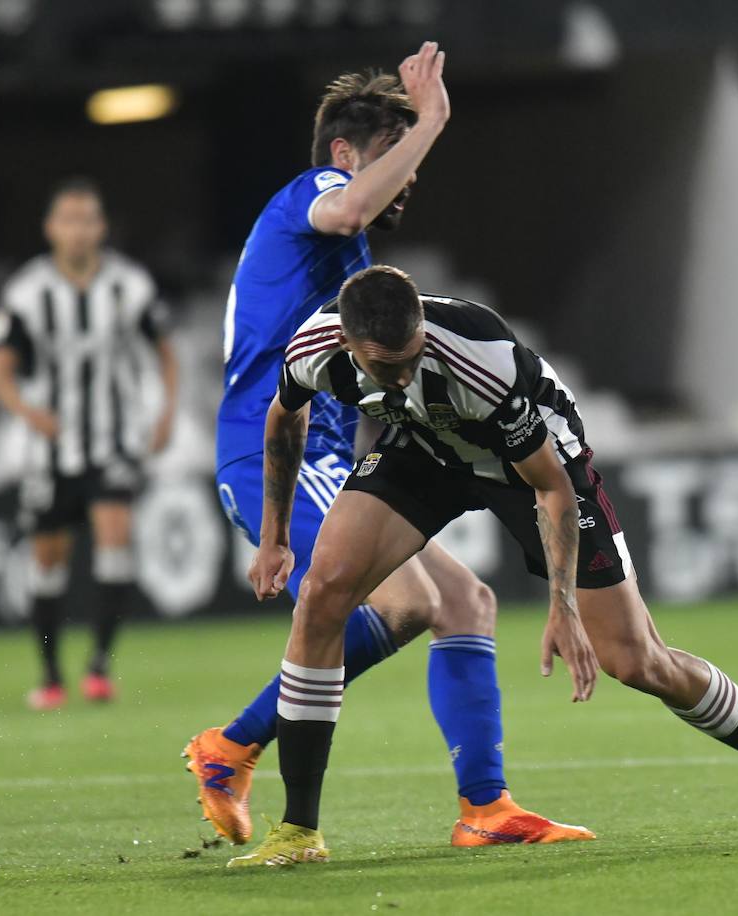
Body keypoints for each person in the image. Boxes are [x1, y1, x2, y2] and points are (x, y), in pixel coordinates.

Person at [228, 266, 738, 867]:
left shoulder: (480, 362)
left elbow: (550, 488)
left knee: (636, 661)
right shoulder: (313, 345)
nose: (399, 376)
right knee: (322, 595)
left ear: (423, 326)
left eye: (411, 358)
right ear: (350, 340)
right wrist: (275, 536)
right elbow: (286, 416)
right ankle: (300, 830)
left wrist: (561, 608)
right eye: (384, 366)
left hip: (533, 466)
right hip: (423, 449)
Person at [186, 43, 589, 848]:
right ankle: (230, 748)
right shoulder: (317, 195)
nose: (410, 177)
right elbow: (345, 210)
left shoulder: (348, 254)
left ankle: (486, 809)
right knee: (406, 603)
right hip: (271, 449)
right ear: (345, 155)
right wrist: (432, 116)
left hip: (329, 454)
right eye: (394, 158)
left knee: (465, 602)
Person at [0, 178, 179, 709]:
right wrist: (27, 412)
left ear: (101, 227)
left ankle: (99, 666)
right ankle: (50, 675)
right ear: (51, 228)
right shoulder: (27, 292)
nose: (77, 229)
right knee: (48, 559)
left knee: (116, 537)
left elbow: (164, 350)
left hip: (112, 442)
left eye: (87, 219)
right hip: (53, 450)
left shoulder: (129, 284)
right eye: (67, 219)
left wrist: (164, 413)